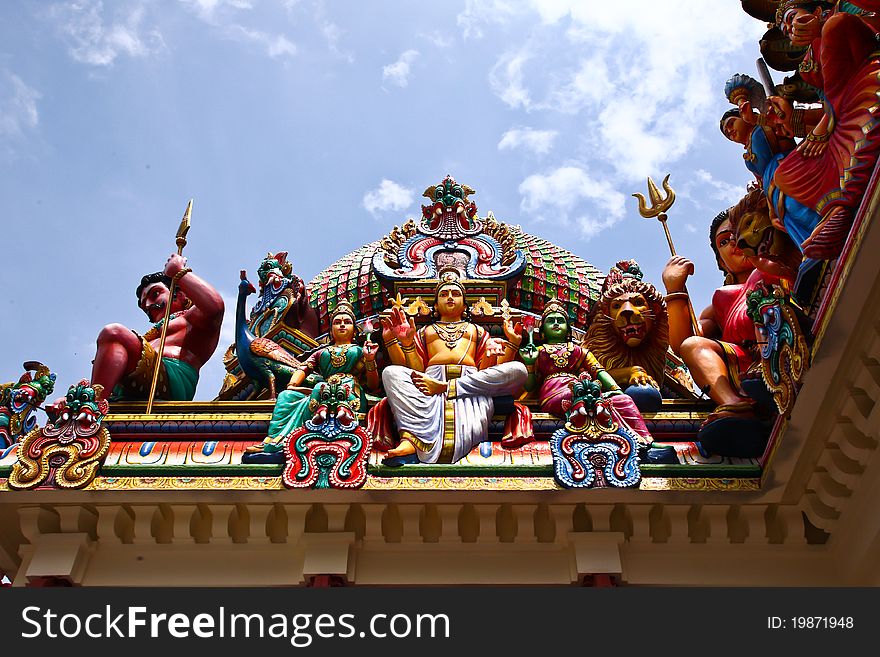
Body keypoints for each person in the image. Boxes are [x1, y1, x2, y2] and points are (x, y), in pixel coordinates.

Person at [379, 268, 528, 464]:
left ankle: (448, 389)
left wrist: (512, 344)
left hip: (469, 388)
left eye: (456, 294)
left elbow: (487, 373)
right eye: (444, 294)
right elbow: (417, 372)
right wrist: (406, 343)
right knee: (391, 373)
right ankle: (411, 440)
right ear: (436, 304)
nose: (450, 297)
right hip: (429, 386)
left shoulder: (477, 331)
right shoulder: (425, 331)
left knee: (519, 370)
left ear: (465, 305)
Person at [772, 1, 880, 258]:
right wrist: (793, 118)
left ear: (816, 11)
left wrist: (824, 27)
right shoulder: (810, 67)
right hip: (842, 119)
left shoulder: (839, 13)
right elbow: (828, 101)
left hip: (868, 81)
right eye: (785, 28)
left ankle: (843, 204)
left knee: (836, 26)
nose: (790, 28)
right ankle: (836, 205)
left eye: (792, 18)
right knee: (784, 174)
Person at [662, 211, 774, 426]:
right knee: (694, 344)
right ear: (721, 263)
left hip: (783, 343)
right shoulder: (722, 303)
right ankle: (734, 405)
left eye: (739, 232)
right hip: (746, 366)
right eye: (724, 241)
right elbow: (682, 344)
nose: (734, 241)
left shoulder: (776, 269)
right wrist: (675, 288)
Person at [246, 301, 379, 454]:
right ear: (331, 330)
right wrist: (292, 385)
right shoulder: (322, 352)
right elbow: (303, 368)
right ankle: (276, 440)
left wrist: (369, 360)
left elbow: (373, 385)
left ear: (355, 331)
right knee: (286, 396)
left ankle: (335, 418)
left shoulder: (359, 350)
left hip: (348, 390)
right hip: (321, 390)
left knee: (333, 389)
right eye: (337, 322)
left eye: (347, 322)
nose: (342, 325)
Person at [519, 300, 653, 448]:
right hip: (556, 393)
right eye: (551, 321)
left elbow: (599, 372)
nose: (556, 324)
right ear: (542, 331)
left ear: (569, 331)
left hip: (585, 390)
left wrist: (616, 391)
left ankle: (644, 440)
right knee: (581, 396)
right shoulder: (537, 351)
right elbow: (530, 387)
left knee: (624, 400)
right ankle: (617, 435)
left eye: (560, 321)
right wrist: (530, 364)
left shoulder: (579, 351)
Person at [91, 253, 224, 402]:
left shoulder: (192, 319)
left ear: (181, 295)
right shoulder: (153, 335)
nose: (148, 305)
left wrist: (178, 271)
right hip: (139, 381)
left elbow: (215, 307)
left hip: (171, 380)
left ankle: (92, 406)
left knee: (114, 333)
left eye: (155, 294)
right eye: (144, 305)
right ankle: (92, 401)